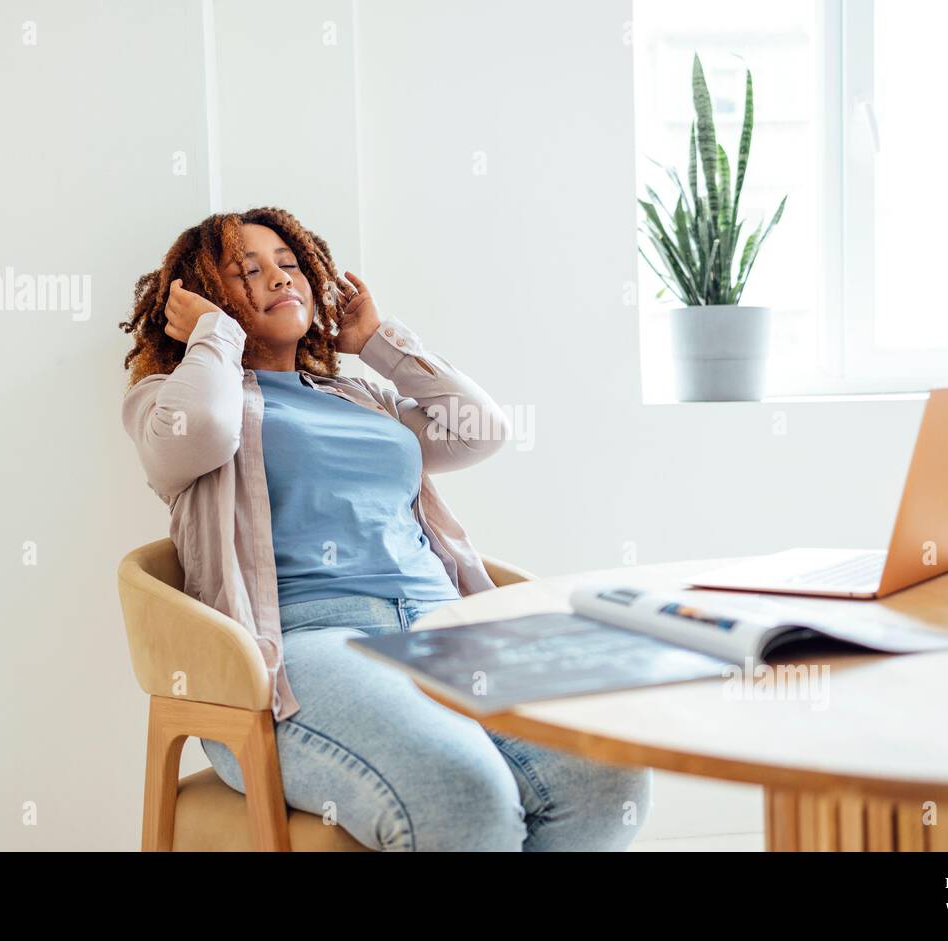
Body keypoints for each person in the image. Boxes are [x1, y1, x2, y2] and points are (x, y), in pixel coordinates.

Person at [118, 207, 651, 850]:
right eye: (247, 271)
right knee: (463, 792)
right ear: (202, 296)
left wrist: (376, 342)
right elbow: (204, 430)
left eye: (290, 265)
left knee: (605, 774)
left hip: (441, 625)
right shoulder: (168, 400)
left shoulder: (361, 398)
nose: (280, 279)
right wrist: (215, 337)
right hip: (306, 645)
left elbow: (480, 432)